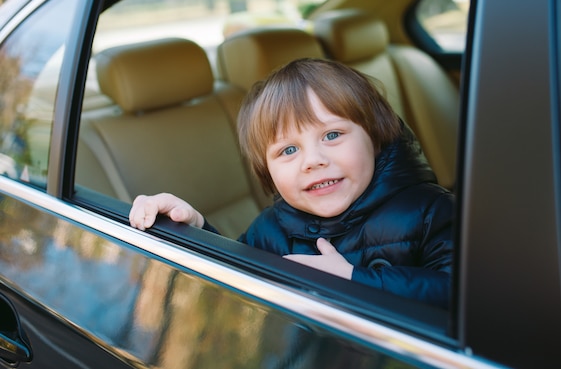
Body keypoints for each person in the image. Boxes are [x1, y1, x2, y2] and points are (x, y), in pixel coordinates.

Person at [129, 58, 454, 309]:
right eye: (288, 150)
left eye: (332, 135)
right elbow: (235, 285)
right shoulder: (271, 230)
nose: (313, 160)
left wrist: (355, 280)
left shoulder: (429, 210)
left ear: (375, 137)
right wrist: (195, 227)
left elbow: (464, 296)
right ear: (267, 172)